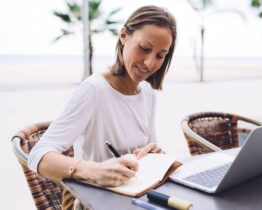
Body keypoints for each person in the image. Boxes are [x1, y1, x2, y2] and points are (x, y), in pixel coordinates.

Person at [28, 5, 177, 209]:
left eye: (160, 55)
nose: (151, 63)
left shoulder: (148, 93)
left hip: (133, 198)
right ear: (123, 35)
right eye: (144, 48)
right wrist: (93, 171)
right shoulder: (93, 90)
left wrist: (152, 152)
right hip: (93, 202)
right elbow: (38, 156)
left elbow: (149, 147)